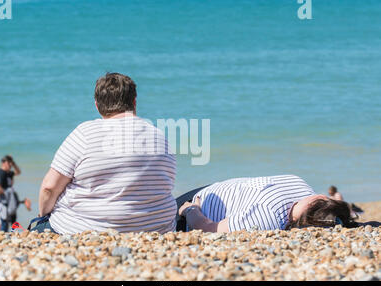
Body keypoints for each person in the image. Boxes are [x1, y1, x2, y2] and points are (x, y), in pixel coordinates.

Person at [30, 72, 177, 234]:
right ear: (134, 102)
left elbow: (49, 188)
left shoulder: (85, 133)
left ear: (97, 105)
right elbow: (166, 185)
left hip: (85, 230)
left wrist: (43, 215)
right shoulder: (159, 136)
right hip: (156, 230)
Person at [178, 175, 359, 233]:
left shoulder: (267, 216)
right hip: (213, 189)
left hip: (195, 208)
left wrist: (189, 210)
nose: (320, 195)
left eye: (322, 201)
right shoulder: (302, 187)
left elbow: (208, 228)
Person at [0, 155, 31, 232]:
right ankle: (6, 236)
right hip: (3, 204)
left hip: (10, 203)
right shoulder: (1, 173)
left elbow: (18, 172)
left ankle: (13, 235)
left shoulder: (9, 173)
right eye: (9, 163)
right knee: (4, 223)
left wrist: (14, 164)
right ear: (3, 163)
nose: (10, 165)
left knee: (13, 221)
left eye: (11, 164)